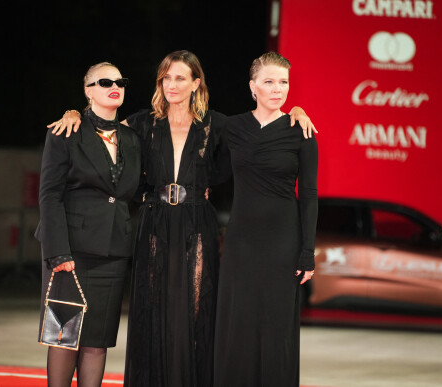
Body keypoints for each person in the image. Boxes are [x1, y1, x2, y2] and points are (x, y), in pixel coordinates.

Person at [49, 50, 317, 387]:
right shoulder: (142, 122)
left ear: (196, 83)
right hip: (154, 224)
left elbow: (262, 125)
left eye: (180, 77)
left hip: (197, 225)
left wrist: (297, 111)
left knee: (195, 315)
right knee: (151, 313)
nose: (172, 84)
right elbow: (103, 129)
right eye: (167, 77)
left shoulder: (218, 124)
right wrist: (74, 112)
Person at [213, 52, 318, 387]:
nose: (278, 89)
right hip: (241, 240)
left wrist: (308, 251)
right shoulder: (231, 127)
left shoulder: (300, 130)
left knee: (277, 327)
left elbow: (310, 196)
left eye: (284, 82)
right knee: (237, 323)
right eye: (269, 82)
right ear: (252, 87)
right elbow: (208, 167)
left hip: (283, 243)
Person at [35, 62, 141, 387]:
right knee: (65, 337)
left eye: (120, 81)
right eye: (105, 81)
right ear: (88, 90)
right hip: (71, 252)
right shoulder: (66, 131)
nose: (115, 86)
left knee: (98, 339)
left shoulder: (133, 138)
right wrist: (57, 252)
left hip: (113, 253)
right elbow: (49, 195)